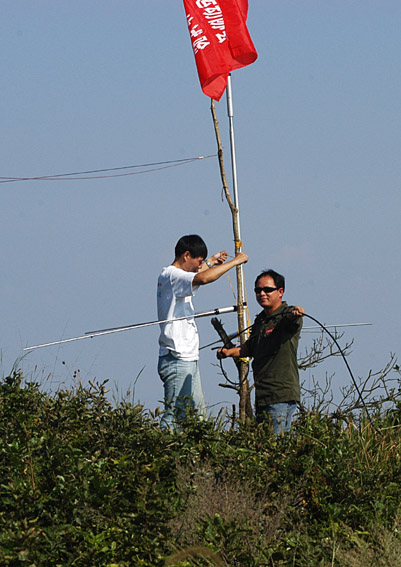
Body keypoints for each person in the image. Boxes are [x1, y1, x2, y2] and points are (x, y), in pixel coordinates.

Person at [157, 234, 248, 430]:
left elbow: (198, 275)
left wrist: (211, 261)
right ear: (186, 255)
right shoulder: (173, 275)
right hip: (176, 358)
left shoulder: (175, 278)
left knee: (197, 418)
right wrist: (235, 262)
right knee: (174, 418)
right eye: (198, 261)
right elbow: (203, 278)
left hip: (187, 359)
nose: (200, 266)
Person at [217, 269, 304, 434]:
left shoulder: (287, 315)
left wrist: (296, 312)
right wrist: (229, 352)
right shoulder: (260, 320)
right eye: (258, 290)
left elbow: (292, 321)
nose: (262, 293)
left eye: (267, 290)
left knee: (275, 447)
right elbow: (250, 347)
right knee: (265, 446)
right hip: (263, 395)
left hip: (281, 395)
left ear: (280, 292)